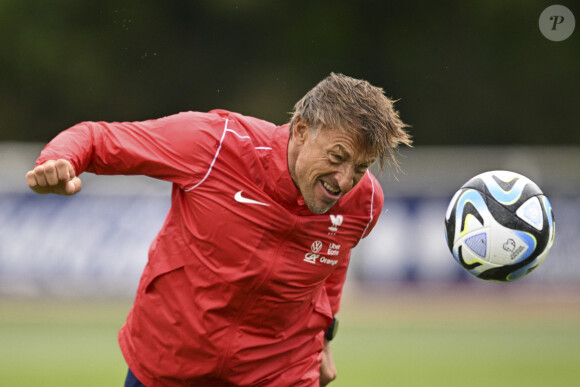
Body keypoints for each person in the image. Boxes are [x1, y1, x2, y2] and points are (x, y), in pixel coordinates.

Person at [25, 73, 412, 387]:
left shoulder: (366, 203)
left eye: (361, 167)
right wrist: (59, 159)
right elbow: (98, 138)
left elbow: (330, 265)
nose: (345, 181)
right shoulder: (214, 144)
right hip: (169, 363)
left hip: (280, 373)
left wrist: (325, 340)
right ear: (300, 129)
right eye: (337, 157)